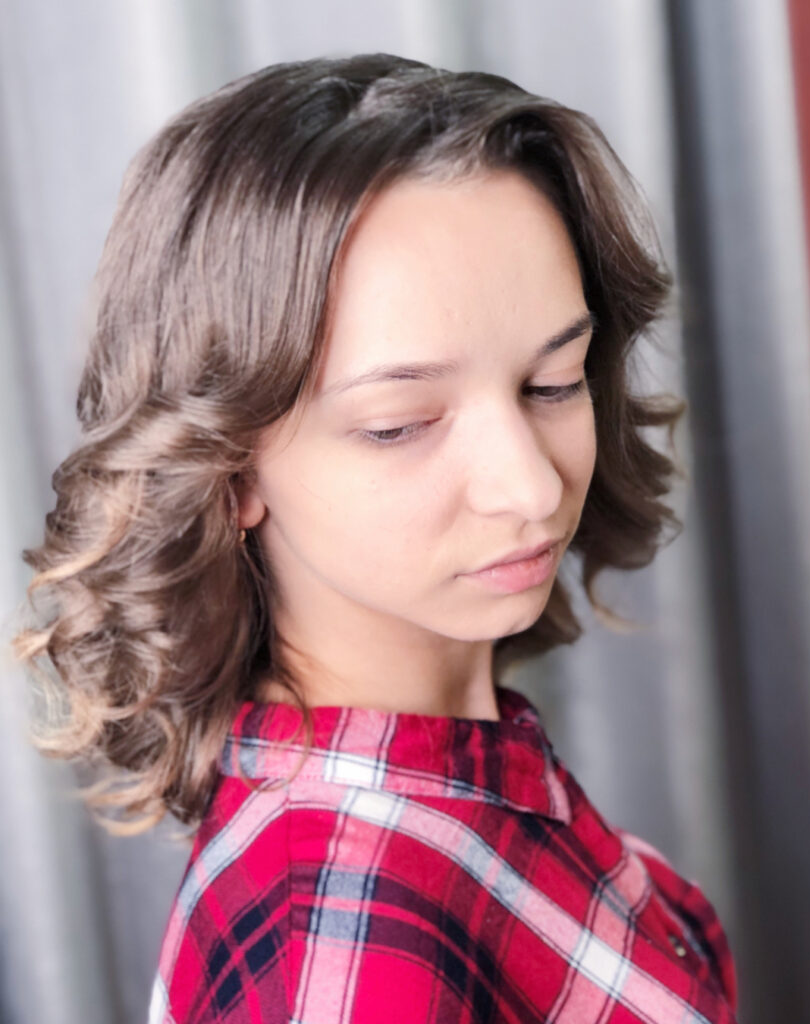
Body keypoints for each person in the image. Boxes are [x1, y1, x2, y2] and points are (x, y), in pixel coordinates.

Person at [13, 53, 740, 1023]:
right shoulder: (343, 951)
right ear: (231, 474)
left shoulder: (441, 775)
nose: (529, 483)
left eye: (553, 382)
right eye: (400, 423)